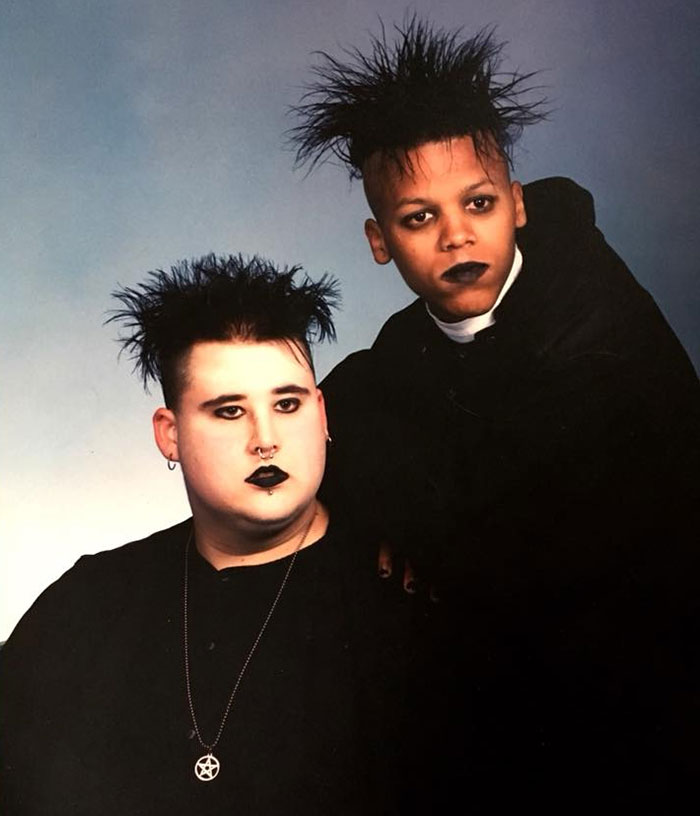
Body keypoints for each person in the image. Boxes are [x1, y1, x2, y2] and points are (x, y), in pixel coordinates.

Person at [290, 17, 700, 806]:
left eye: (477, 203)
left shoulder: (595, 310)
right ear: (380, 241)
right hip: (518, 711)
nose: (456, 236)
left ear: (517, 205)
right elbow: (341, 424)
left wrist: (422, 521)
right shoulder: (400, 354)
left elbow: (547, 492)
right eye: (419, 218)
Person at [0, 254, 422, 815]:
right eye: (228, 411)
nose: (265, 438)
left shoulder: (406, 596)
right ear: (169, 434)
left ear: (321, 415)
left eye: (287, 404)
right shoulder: (89, 600)